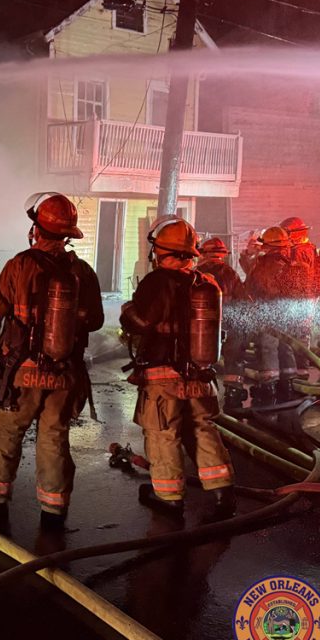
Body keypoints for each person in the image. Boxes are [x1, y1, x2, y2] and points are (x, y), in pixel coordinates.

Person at [0, 193, 104, 530]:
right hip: (65, 374)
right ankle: (54, 511)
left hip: (20, 374)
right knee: (54, 438)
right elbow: (97, 320)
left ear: (36, 229)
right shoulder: (82, 272)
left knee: (5, 436)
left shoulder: (19, 266)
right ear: (67, 235)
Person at [121, 217, 236, 522]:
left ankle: (169, 498)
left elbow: (143, 321)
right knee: (202, 429)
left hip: (163, 375)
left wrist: (127, 311)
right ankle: (223, 491)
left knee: (163, 433)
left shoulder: (156, 282)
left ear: (159, 251)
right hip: (200, 374)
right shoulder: (206, 284)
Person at [244, 226, 297, 405]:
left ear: (266, 245)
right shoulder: (290, 263)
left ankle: (269, 387)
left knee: (267, 347)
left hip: (267, 311)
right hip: (287, 312)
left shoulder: (264, 264)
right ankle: (288, 384)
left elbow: (251, 287)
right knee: (286, 346)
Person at [196, 237, 246, 409]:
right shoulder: (230, 274)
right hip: (230, 323)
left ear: (203, 254)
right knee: (234, 358)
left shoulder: (196, 274)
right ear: (223, 255)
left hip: (203, 326)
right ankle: (233, 394)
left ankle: (203, 393)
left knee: (202, 358)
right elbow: (243, 299)